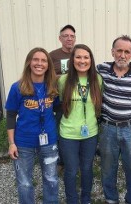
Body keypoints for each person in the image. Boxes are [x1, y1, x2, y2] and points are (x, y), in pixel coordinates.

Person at [96, 35, 131, 204]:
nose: (122, 55)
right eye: (119, 50)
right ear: (112, 51)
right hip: (107, 129)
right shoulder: (102, 69)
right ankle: (111, 199)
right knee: (107, 168)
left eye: (127, 52)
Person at [6, 47, 59, 203]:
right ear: (29, 62)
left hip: (49, 142)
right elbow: (10, 115)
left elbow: (58, 109)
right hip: (23, 143)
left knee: (51, 179)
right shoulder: (17, 87)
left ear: (48, 65)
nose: (39, 63)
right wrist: (11, 143)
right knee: (25, 182)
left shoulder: (52, 87)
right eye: (36, 59)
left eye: (43, 60)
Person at [58, 44, 102, 204]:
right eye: (78, 57)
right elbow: (60, 104)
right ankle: (72, 200)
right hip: (68, 134)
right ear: (72, 60)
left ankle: (86, 199)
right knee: (70, 170)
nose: (82, 60)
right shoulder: (63, 81)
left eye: (86, 57)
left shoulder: (97, 79)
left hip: (90, 133)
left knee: (87, 168)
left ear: (91, 60)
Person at [50, 24, 76, 169]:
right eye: (65, 36)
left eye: (72, 36)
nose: (69, 39)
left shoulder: (79, 53)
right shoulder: (53, 55)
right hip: (59, 101)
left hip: (78, 100)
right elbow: (47, 75)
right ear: (60, 38)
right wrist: (65, 77)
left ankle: (75, 158)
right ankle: (61, 161)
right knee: (60, 130)